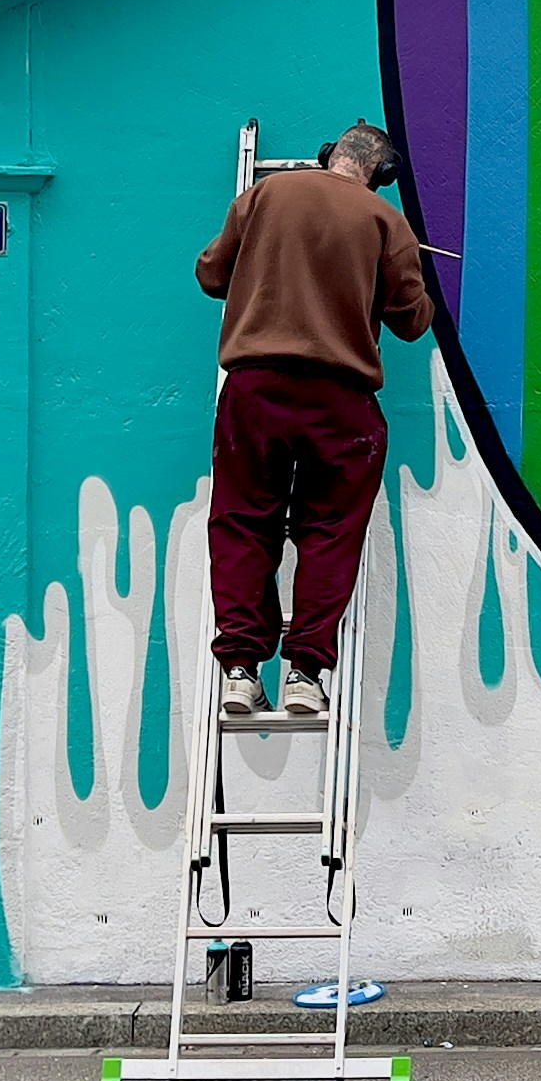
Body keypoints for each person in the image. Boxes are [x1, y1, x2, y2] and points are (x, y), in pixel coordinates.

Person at [195, 120, 433, 723]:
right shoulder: (386, 223)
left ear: (330, 155)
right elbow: (411, 322)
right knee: (330, 530)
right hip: (339, 399)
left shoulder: (267, 194)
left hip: (255, 389)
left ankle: (240, 672)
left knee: (244, 521)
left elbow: (211, 275)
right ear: (380, 178)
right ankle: (306, 673)